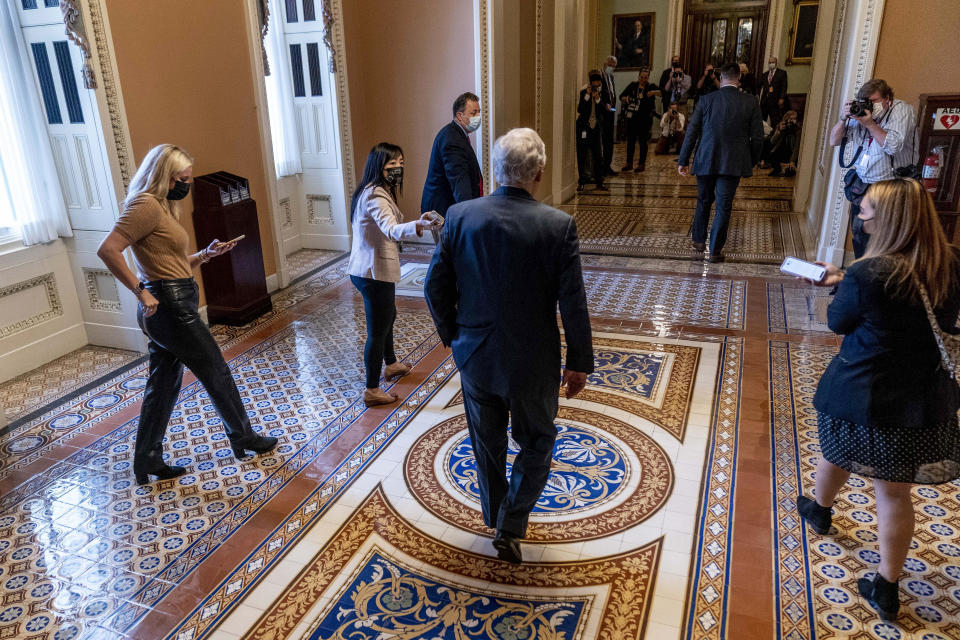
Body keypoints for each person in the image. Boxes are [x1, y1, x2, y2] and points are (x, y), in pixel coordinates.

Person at [424, 128, 594, 565]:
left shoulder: (460, 216)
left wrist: (454, 337)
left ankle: (496, 514)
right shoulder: (558, 226)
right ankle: (511, 522)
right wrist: (578, 363)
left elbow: (434, 287)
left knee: (487, 442)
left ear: (497, 170)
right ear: (537, 173)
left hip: (476, 356)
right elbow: (572, 303)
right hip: (533, 361)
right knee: (537, 440)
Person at [796, 178, 960, 621]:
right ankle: (886, 585)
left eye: (865, 212)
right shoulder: (950, 263)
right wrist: (847, 277)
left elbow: (838, 322)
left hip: (862, 392)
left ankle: (820, 510)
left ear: (884, 219)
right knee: (894, 493)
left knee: (836, 451)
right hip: (922, 401)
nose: (861, 218)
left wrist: (839, 283)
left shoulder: (871, 272)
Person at [96, 144, 277, 485]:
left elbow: (170, 264)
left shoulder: (162, 206)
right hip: (169, 306)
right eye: (181, 178)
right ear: (164, 176)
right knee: (216, 371)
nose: (186, 184)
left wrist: (204, 255)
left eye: (188, 178)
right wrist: (140, 291)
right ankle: (244, 437)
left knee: (163, 385)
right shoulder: (145, 205)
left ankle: (148, 457)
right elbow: (108, 250)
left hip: (174, 299)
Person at [348, 143, 443, 407]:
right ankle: (371, 389)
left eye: (400, 162)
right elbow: (390, 229)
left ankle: (390, 364)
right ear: (378, 166)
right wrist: (419, 225)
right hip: (372, 272)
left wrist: (418, 222)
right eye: (392, 164)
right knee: (377, 329)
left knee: (389, 314)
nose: (398, 168)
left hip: (371, 268)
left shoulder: (375, 190)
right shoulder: (375, 196)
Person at [678, 63, 763, 263]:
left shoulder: (706, 100)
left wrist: (683, 159)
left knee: (704, 200)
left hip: (706, 158)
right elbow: (758, 138)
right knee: (724, 206)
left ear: (721, 77)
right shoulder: (750, 102)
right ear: (739, 77)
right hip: (733, 163)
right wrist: (750, 161)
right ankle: (715, 250)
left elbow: (691, 132)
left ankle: (699, 240)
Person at [827, 78, 917, 258]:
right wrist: (843, 118)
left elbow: (892, 145)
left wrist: (869, 124)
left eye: (873, 101)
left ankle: (876, 279)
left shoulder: (901, 111)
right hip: (862, 185)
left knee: (883, 240)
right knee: (860, 234)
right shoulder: (861, 113)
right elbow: (834, 140)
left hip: (890, 186)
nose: (869, 106)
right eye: (865, 101)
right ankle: (861, 275)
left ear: (887, 99)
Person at [421, 92, 484, 218]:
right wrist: (470, 217)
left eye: (479, 112)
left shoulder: (456, 135)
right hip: (442, 213)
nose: (478, 116)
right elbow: (460, 183)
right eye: (473, 113)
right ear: (460, 116)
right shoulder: (452, 140)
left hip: (446, 209)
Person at [619, 67, 661, 173]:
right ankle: (629, 163)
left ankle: (641, 164)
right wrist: (627, 99)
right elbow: (621, 96)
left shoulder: (651, 86)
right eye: (641, 77)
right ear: (639, 77)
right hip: (632, 118)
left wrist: (653, 93)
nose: (643, 79)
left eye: (645, 77)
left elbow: (662, 93)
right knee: (631, 142)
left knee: (643, 142)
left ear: (648, 78)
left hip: (645, 119)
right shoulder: (633, 85)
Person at [576, 70, 610, 191]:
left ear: (600, 82)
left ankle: (600, 182)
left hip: (596, 129)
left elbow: (606, 111)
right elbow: (580, 109)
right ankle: (582, 181)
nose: (596, 83)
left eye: (598, 81)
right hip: (583, 128)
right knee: (582, 155)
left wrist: (597, 99)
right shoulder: (583, 92)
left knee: (598, 156)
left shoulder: (604, 94)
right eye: (594, 81)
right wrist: (587, 95)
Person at [761, 110, 800, 176]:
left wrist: (792, 161)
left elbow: (796, 147)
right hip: (781, 151)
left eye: (794, 119)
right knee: (766, 143)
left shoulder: (798, 130)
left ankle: (787, 167)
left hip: (792, 153)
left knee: (790, 172)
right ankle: (778, 168)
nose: (792, 121)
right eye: (790, 119)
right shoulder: (781, 127)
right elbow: (772, 141)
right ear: (786, 120)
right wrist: (778, 131)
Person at [600, 56, 618, 176]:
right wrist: (604, 105)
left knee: (609, 141)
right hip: (602, 114)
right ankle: (601, 167)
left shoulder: (611, 77)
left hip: (610, 113)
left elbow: (612, 95)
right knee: (602, 141)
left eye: (613, 66)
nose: (611, 68)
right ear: (605, 64)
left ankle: (608, 165)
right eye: (610, 65)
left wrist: (613, 108)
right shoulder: (600, 76)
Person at [758, 56, 788, 126]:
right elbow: (759, 85)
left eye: (773, 62)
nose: (771, 64)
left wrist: (782, 98)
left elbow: (784, 86)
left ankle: (774, 135)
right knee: (762, 122)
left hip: (775, 101)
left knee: (775, 121)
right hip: (765, 102)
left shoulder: (782, 73)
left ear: (776, 63)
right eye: (770, 62)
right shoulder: (765, 74)